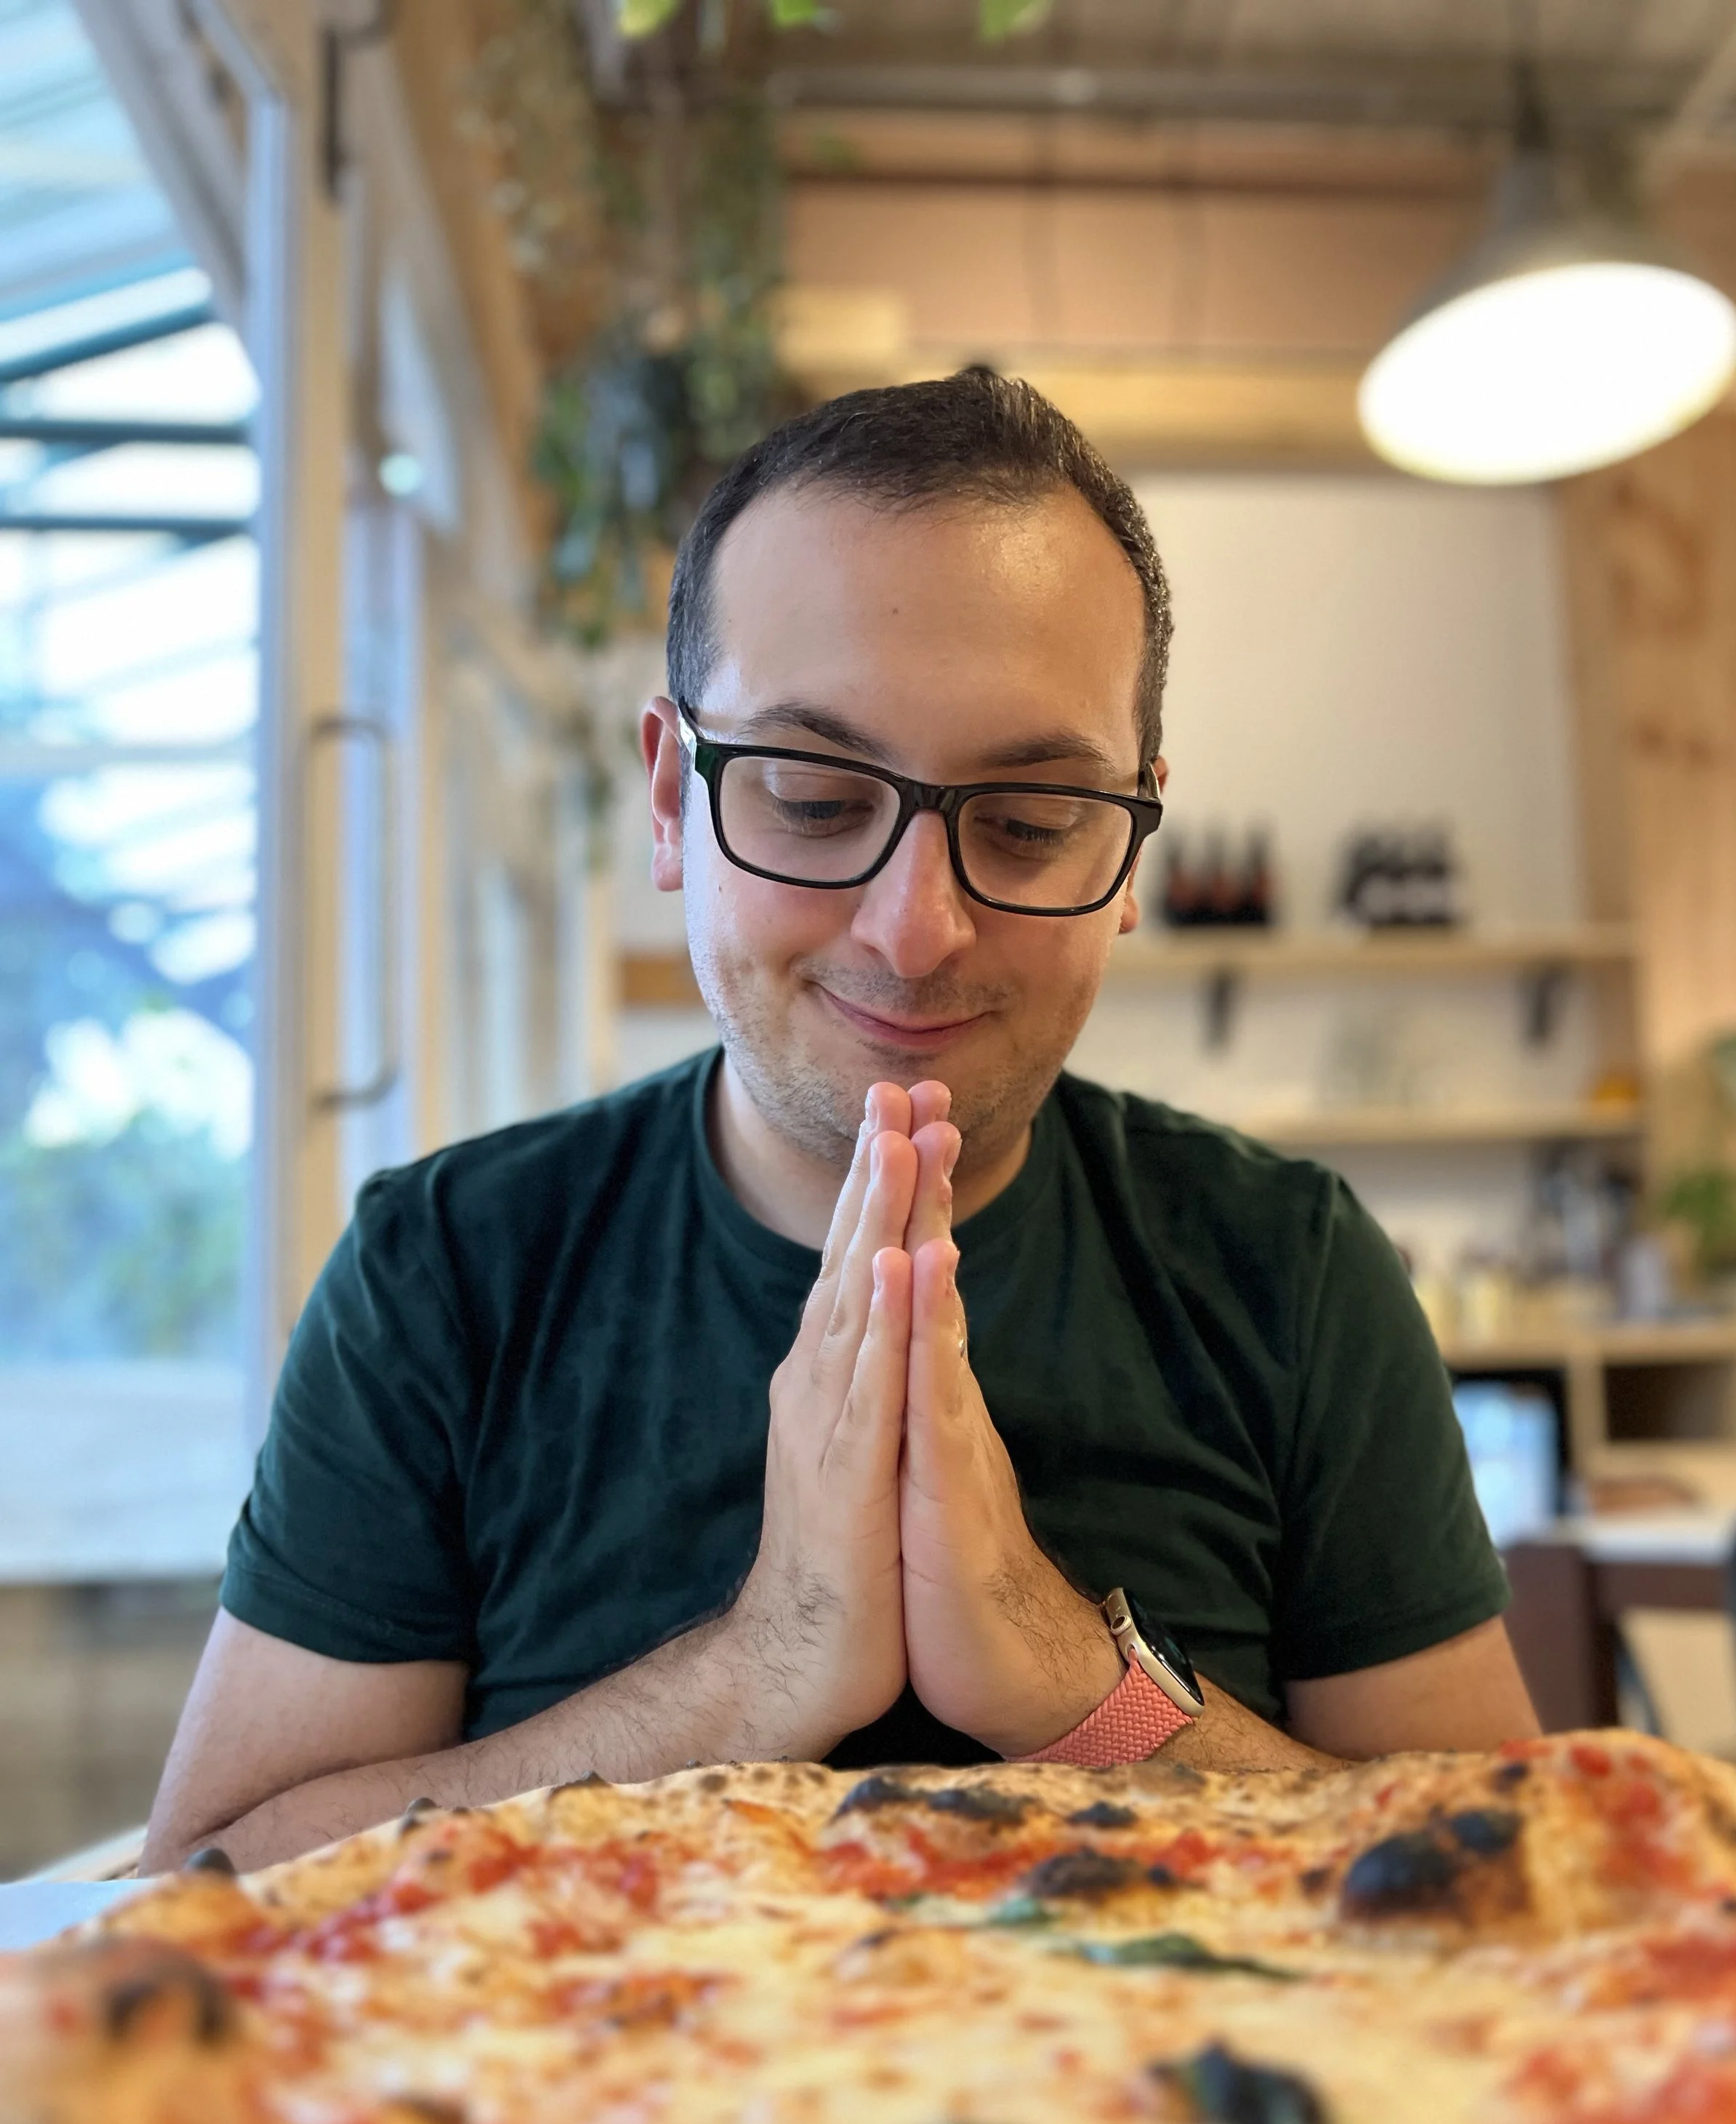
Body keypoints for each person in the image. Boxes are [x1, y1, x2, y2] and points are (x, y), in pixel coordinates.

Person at [143, 370, 1535, 1874]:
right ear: (673, 798)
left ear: (1130, 845)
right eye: (812, 800)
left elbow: (1513, 1889)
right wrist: (754, 1672)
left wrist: (1068, 1679)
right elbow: (207, 1886)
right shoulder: (449, 1272)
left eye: (1025, 821)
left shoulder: (1289, 1268)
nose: (916, 926)